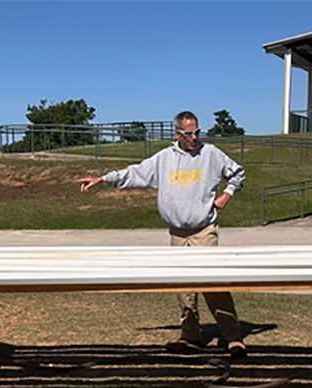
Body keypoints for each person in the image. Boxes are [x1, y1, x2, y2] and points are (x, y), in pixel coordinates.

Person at [76, 111, 249, 356]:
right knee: (183, 287)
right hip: (177, 234)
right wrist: (103, 179)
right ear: (177, 133)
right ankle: (190, 336)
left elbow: (238, 172)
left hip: (204, 230)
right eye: (189, 133)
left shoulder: (211, 154)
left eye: (197, 132)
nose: (194, 137)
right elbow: (134, 173)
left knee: (214, 283)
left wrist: (226, 195)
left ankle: (233, 337)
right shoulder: (164, 159)